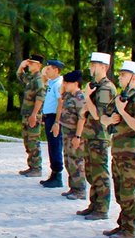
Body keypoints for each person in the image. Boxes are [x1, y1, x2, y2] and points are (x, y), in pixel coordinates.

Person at [103, 60, 135, 238]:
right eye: (121, 74)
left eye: (124, 74)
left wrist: (123, 113)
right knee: (120, 191)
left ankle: (130, 229)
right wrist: (109, 120)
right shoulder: (120, 98)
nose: (120, 77)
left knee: (129, 192)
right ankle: (123, 224)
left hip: (132, 152)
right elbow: (104, 118)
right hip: (118, 151)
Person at [76, 52, 117, 220]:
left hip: (99, 135)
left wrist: (87, 97)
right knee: (91, 171)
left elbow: (99, 115)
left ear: (104, 67)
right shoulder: (95, 86)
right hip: (91, 134)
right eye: (91, 64)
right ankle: (94, 204)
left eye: (95, 65)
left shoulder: (106, 88)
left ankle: (102, 208)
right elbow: (86, 111)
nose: (91, 68)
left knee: (100, 172)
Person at [32, 59, 64, 187]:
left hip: (54, 118)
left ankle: (57, 175)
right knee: (51, 145)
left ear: (56, 70)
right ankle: (54, 173)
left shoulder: (58, 84)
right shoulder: (52, 82)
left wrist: (57, 121)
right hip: (49, 117)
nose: (47, 71)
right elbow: (44, 78)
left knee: (55, 145)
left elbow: (60, 103)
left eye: (49, 68)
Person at [56, 69, 87, 199]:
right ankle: (73, 187)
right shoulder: (68, 95)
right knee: (68, 160)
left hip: (74, 133)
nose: (64, 85)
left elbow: (82, 118)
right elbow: (60, 97)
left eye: (67, 83)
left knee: (76, 161)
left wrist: (78, 136)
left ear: (75, 83)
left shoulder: (80, 98)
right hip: (66, 132)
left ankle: (80, 190)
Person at [16, 54, 45, 177]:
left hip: (33, 115)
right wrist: (21, 67)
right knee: (27, 141)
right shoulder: (31, 78)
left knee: (33, 141)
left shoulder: (38, 79)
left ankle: (37, 168)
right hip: (27, 114)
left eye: (32, 63)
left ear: (39, 65)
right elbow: (20, 76)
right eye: (30, 63)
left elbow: (40, 97)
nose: (30, 65)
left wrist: (34, 114)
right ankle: (31, 166)